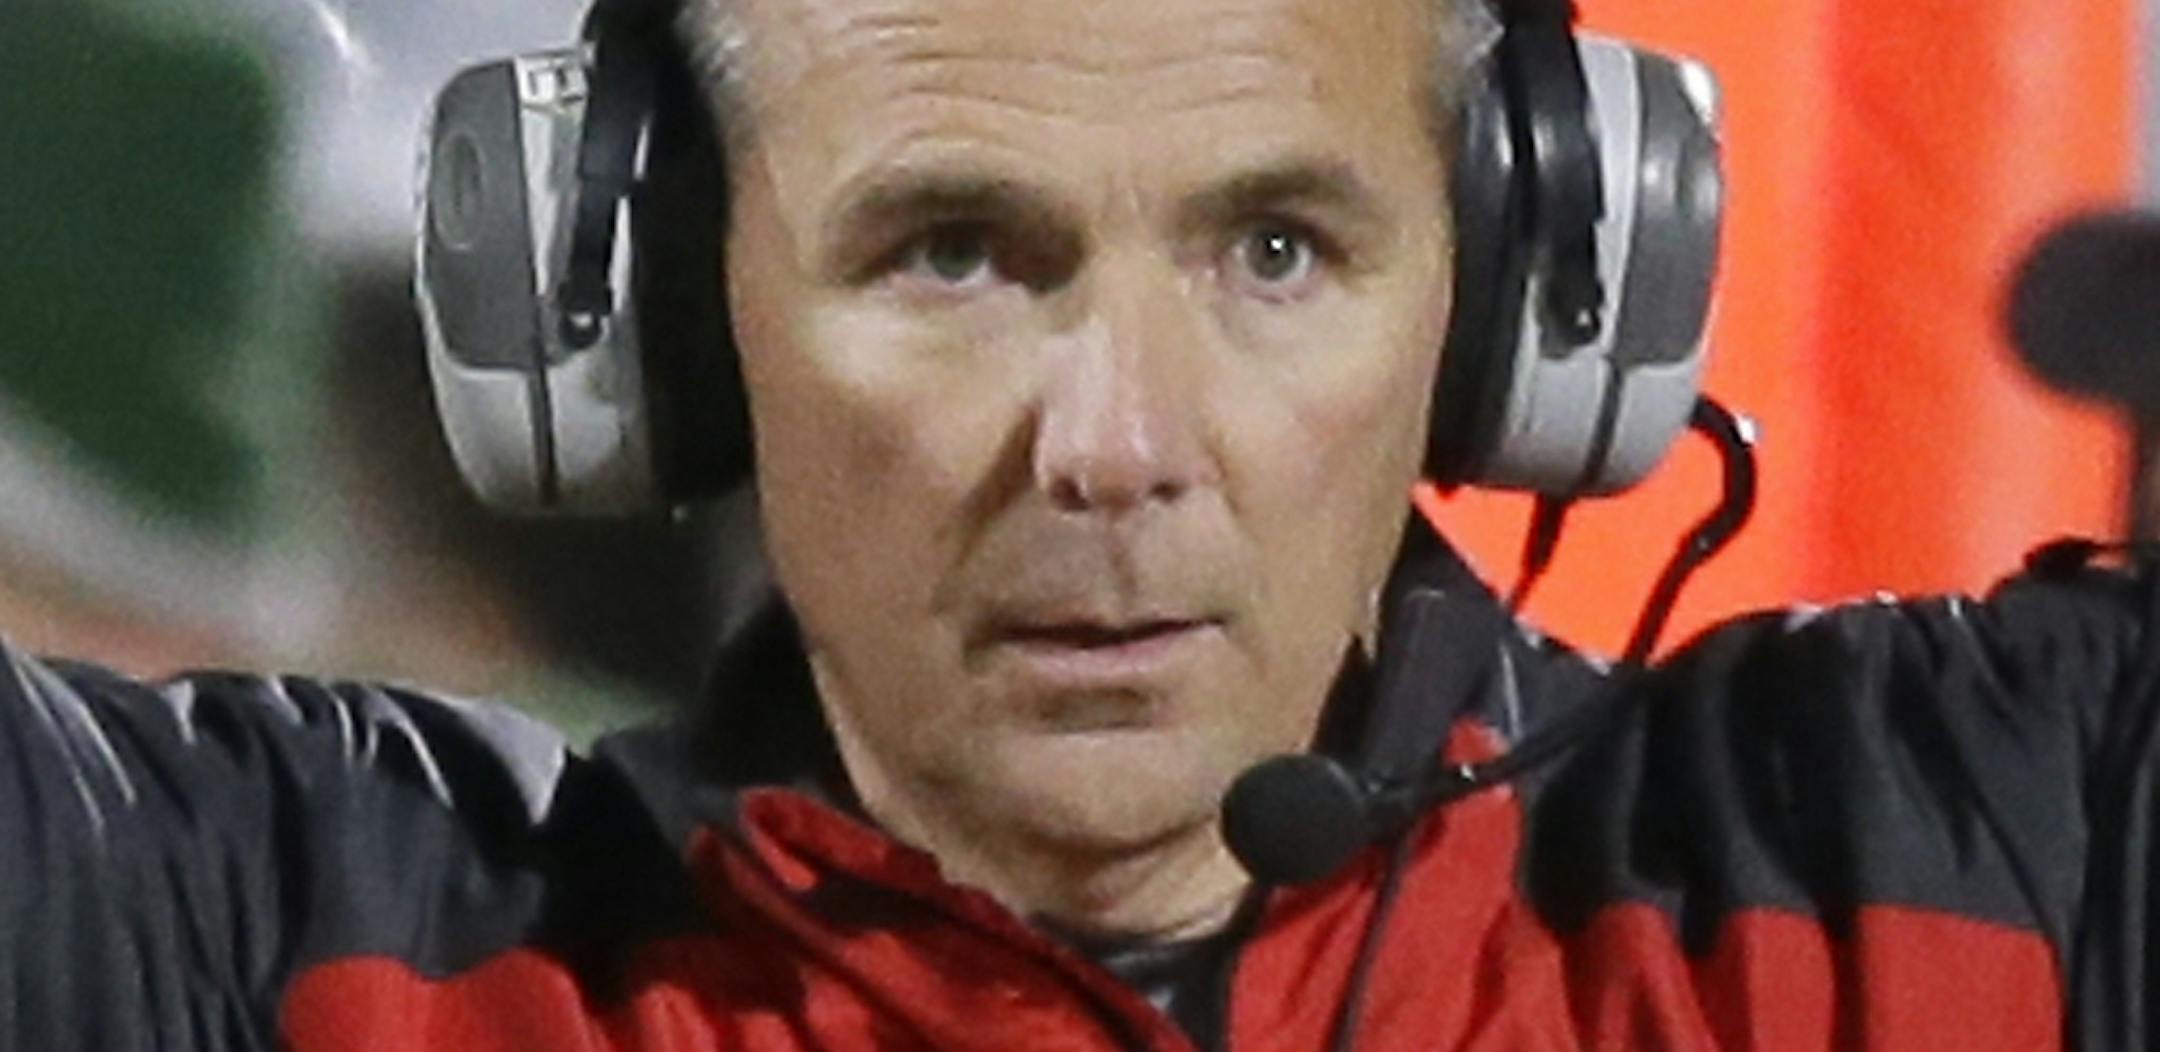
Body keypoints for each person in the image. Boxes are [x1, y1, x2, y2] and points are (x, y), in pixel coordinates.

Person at [4, 0, 2156, 1049]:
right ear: (648, 307)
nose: (1113, 447)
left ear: (1521, 299)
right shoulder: (273, 949)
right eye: (951, 253)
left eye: (1278, 254)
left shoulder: (1949, 872)